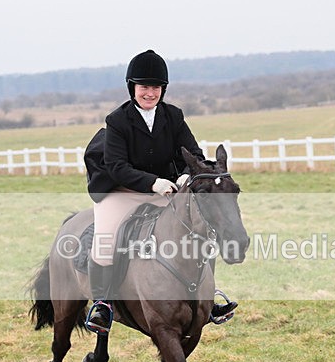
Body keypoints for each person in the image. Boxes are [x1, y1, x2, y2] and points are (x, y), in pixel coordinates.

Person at [84, 49, 237, 336]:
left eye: (155, 87)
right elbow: (116, 166)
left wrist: (186, 174)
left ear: (163, 89)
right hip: (122, 191)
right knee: (105, 239)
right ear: (132, 88)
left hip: (166, 190)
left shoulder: (173, 115)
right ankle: (103, 305)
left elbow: (193, 153)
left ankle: (208, 297)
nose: (150, 93)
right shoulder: (117, 120)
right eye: (144, 87)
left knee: (200, 229)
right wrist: (153, 182)